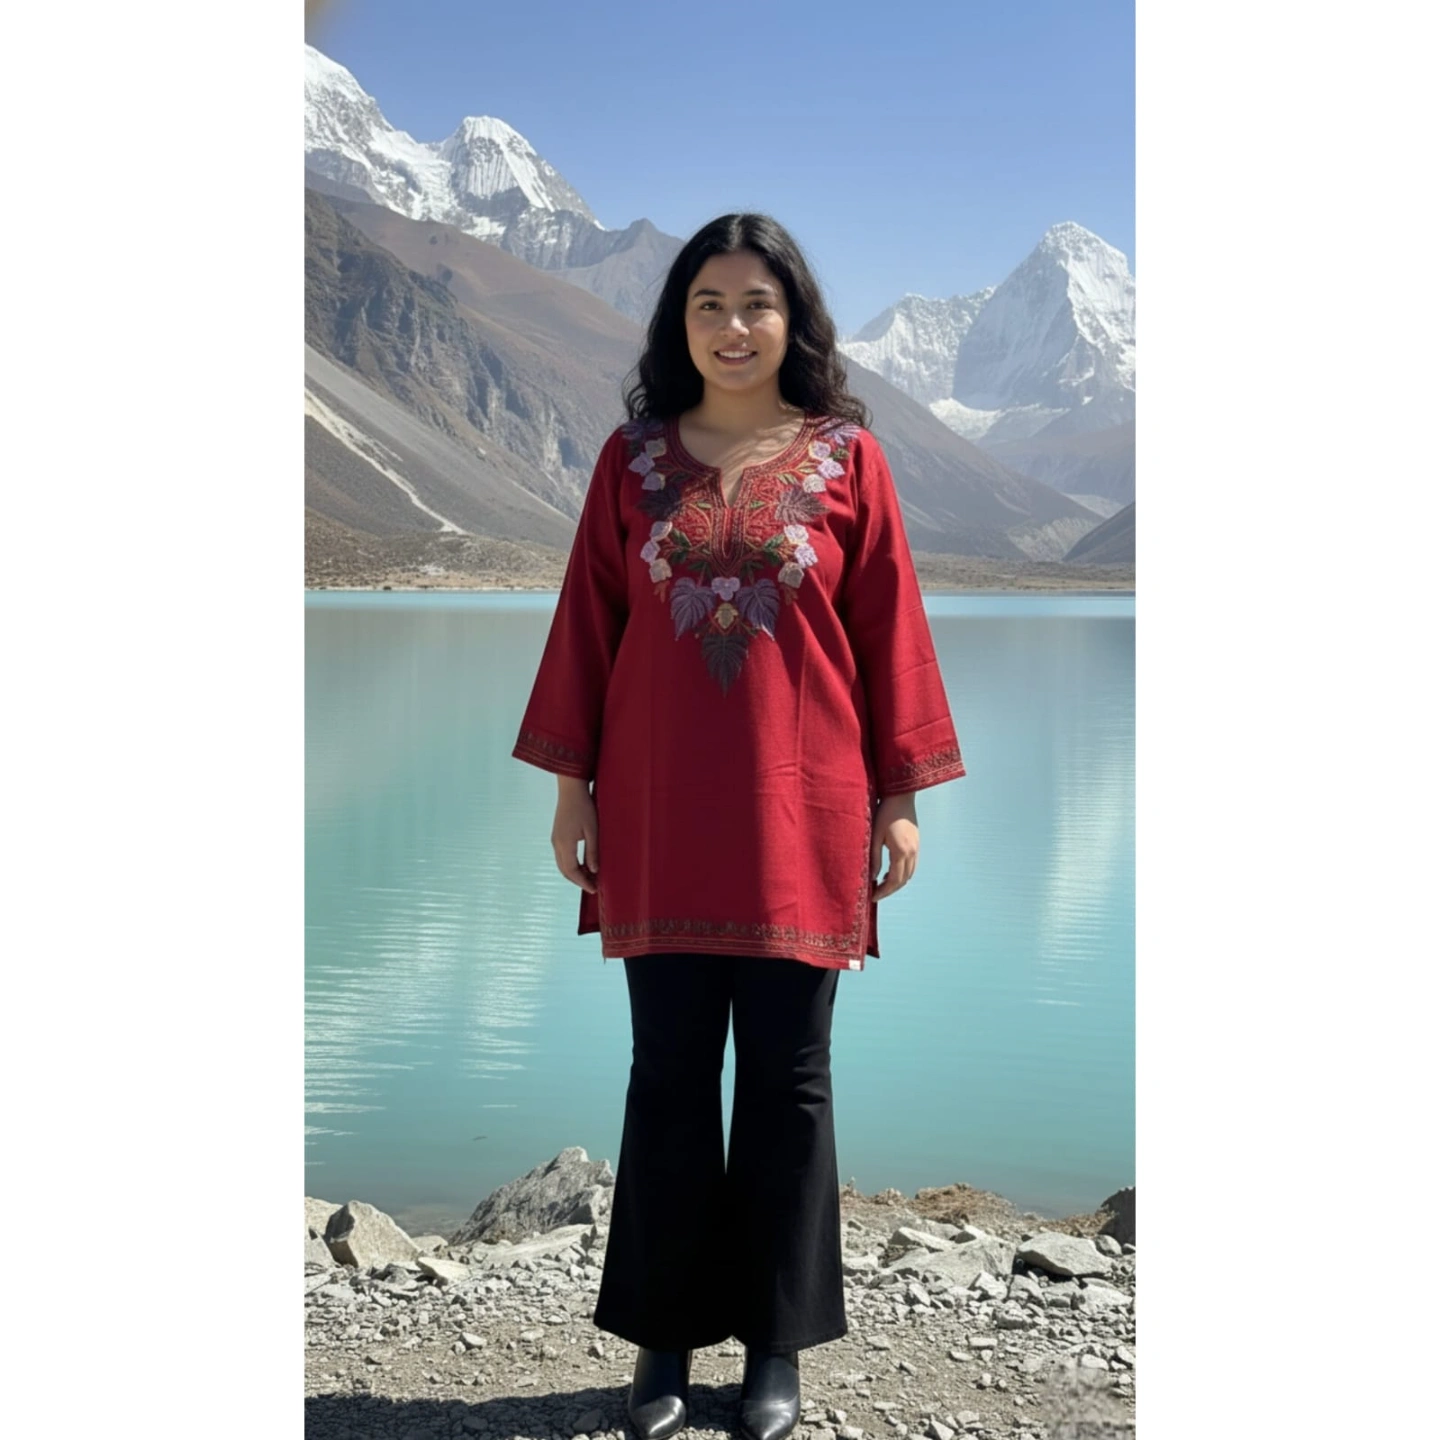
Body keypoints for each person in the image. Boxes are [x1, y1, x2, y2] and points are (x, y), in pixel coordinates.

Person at [511, 213, 966, 1440]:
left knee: (789, 1082)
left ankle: (775, 1346)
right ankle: (661, 1342)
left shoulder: (850, 460)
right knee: (666, 1077)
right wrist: (571, 789)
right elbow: (588, 626)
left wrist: (901, 796)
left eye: (755, 303)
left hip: (803, 817)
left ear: (792, 320)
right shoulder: (632, 461)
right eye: (707, 303)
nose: (731, 326)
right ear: (680, 322)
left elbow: (890, 628)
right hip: (657, 813)